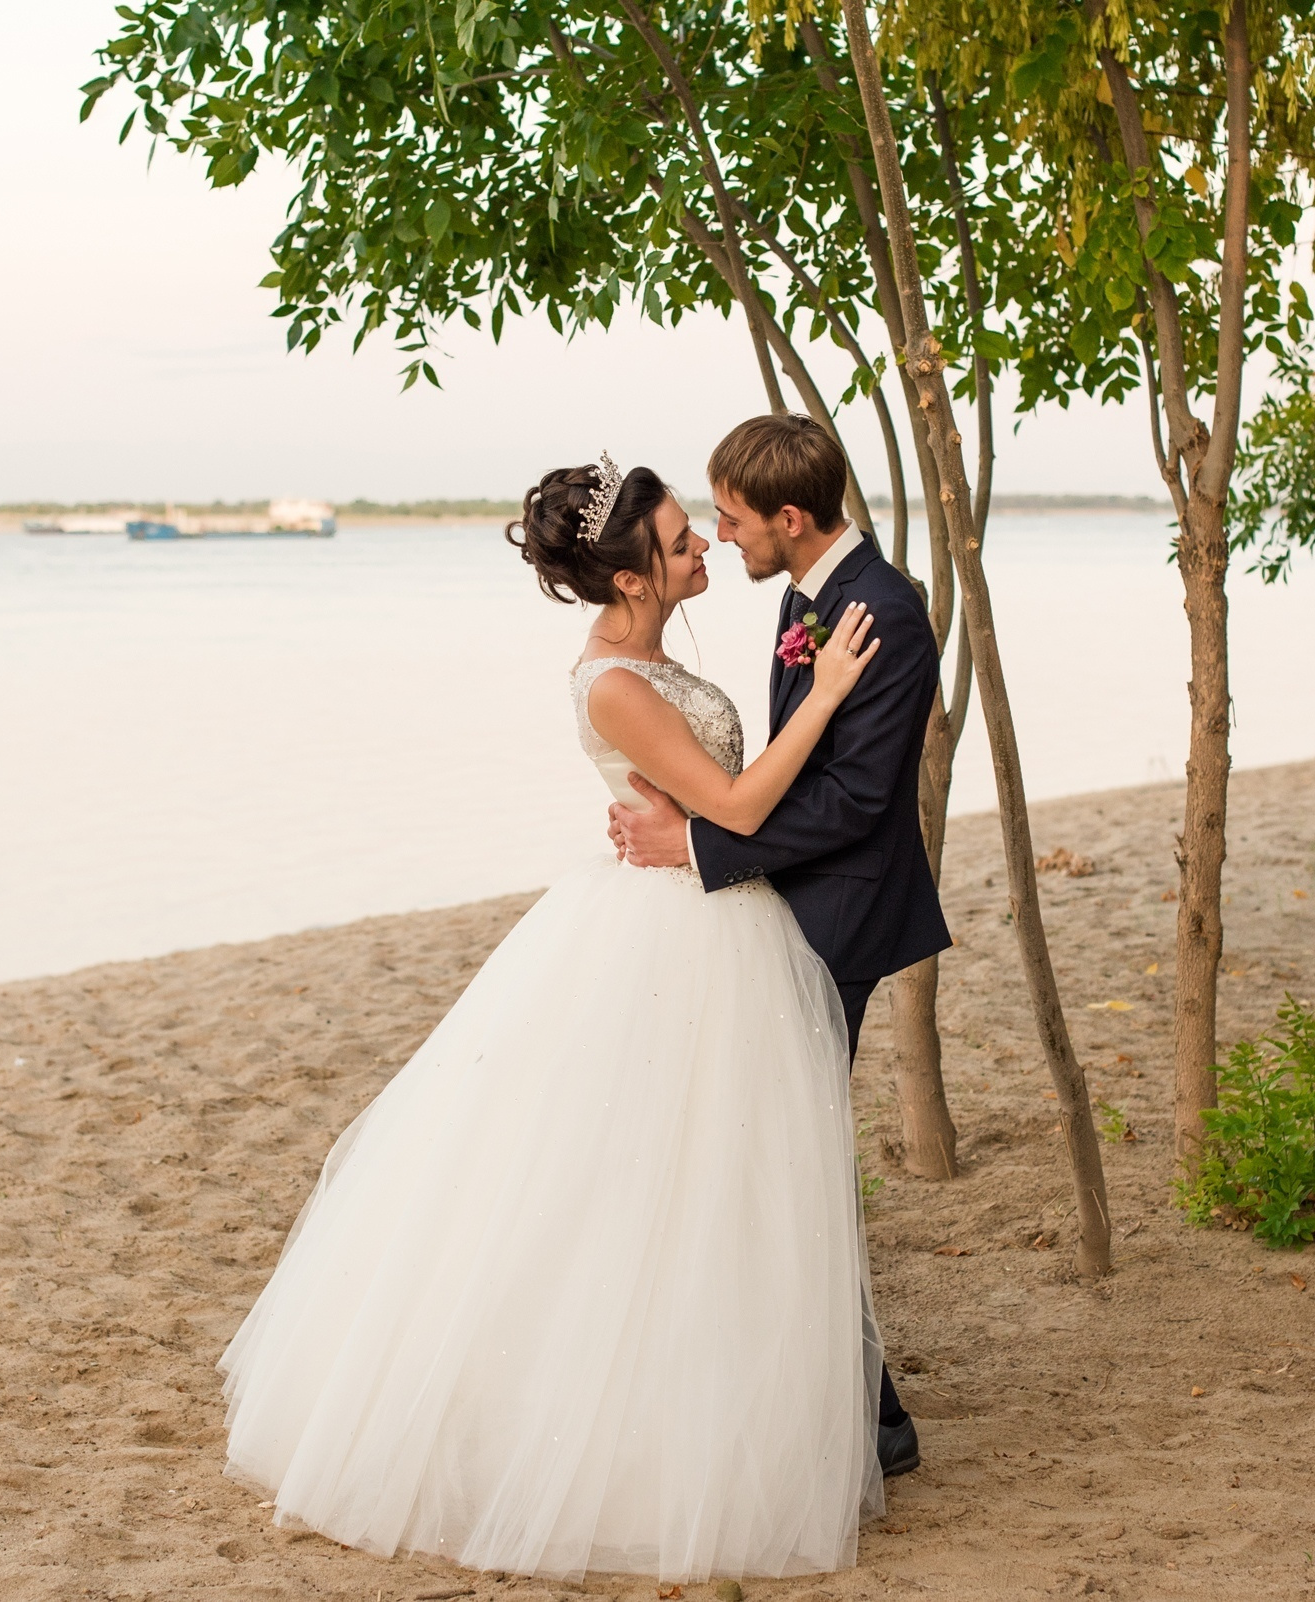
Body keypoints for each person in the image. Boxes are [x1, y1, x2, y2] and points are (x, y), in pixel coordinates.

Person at [217, 451, 887, 1584]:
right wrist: (822, 698)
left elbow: (707, 806)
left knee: (708, 1188)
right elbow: (734, 804)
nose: (702, 546)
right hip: (673, 931)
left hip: (711, 920)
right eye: (679, 541)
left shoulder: (650, 657)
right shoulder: (614, 683)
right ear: (629, 579)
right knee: (630, 1190)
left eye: (696, 529)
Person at [608, 412, 954, 1482]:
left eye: (732, 518)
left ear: (791, 518)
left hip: (839, 921)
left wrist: (697, 846)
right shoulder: (808, 597)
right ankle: (858, 1408)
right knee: (776, 1164)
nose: (723, 535)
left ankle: (872, 1420)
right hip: (784, 905)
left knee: (785, 1169)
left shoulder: (884, 613)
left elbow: (855, 802)